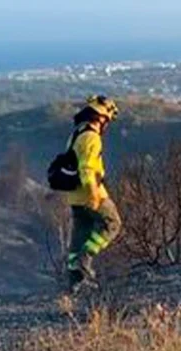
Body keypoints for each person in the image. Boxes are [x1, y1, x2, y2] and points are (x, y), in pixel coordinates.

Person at [65, 95, 122, 293]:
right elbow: (87, 169)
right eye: (108, 120)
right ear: (101, 117)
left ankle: (76, 280)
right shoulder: (92, 137)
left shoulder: (78, 132)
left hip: (74, 195)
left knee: (80, 234)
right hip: (89, 192)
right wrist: (94, 196)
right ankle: (84, 259)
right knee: (112, 223)